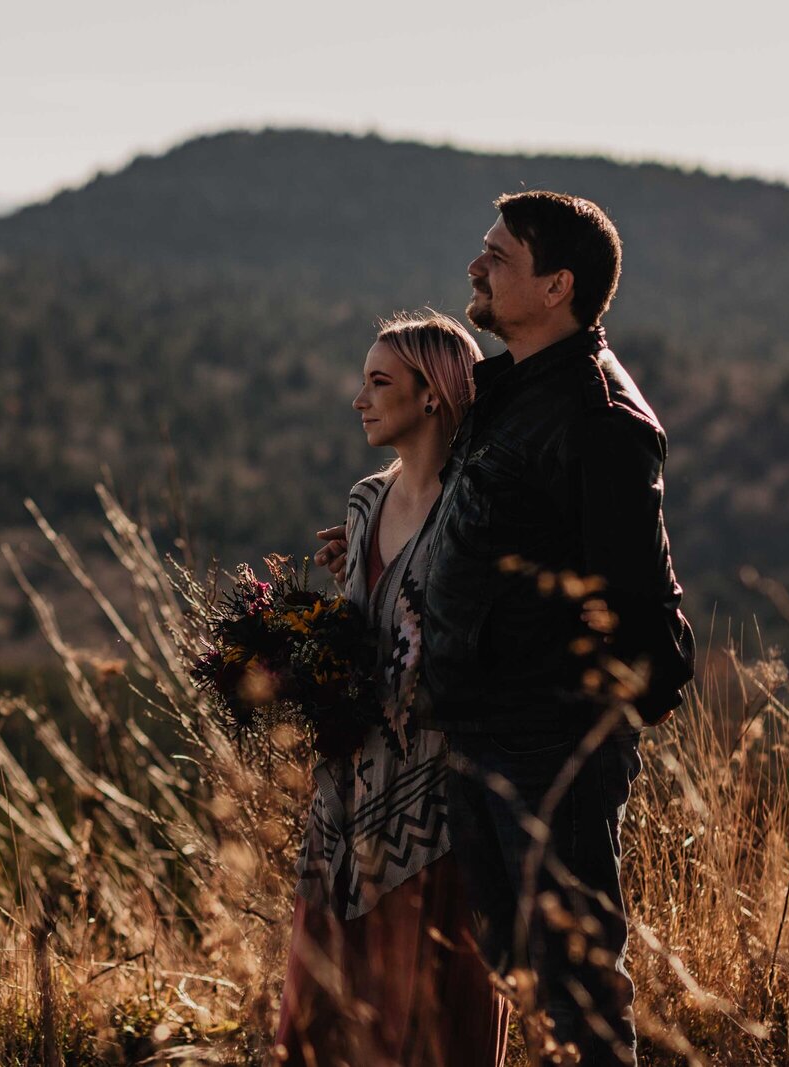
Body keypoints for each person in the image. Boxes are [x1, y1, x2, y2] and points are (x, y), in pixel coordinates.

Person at [315, 191, 694, 1066]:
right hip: (473, 732)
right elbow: (452, 511)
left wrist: (584, 724)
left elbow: (639, 597)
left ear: (557, 286)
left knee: (578, 986)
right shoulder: (502, 391)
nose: (474, 269)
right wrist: (373, 540)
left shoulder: (599, 419)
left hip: (546, 746)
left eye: (498, 257)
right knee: (523, 976)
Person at [275, 311, 510, 1066]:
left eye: (379, 381)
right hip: (346, 786)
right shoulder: (364, 501)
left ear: (434, 394)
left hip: (434, 794)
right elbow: (357, 627)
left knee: (426, 1004)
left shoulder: (472, 510)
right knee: (329, 998)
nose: (360, 398)